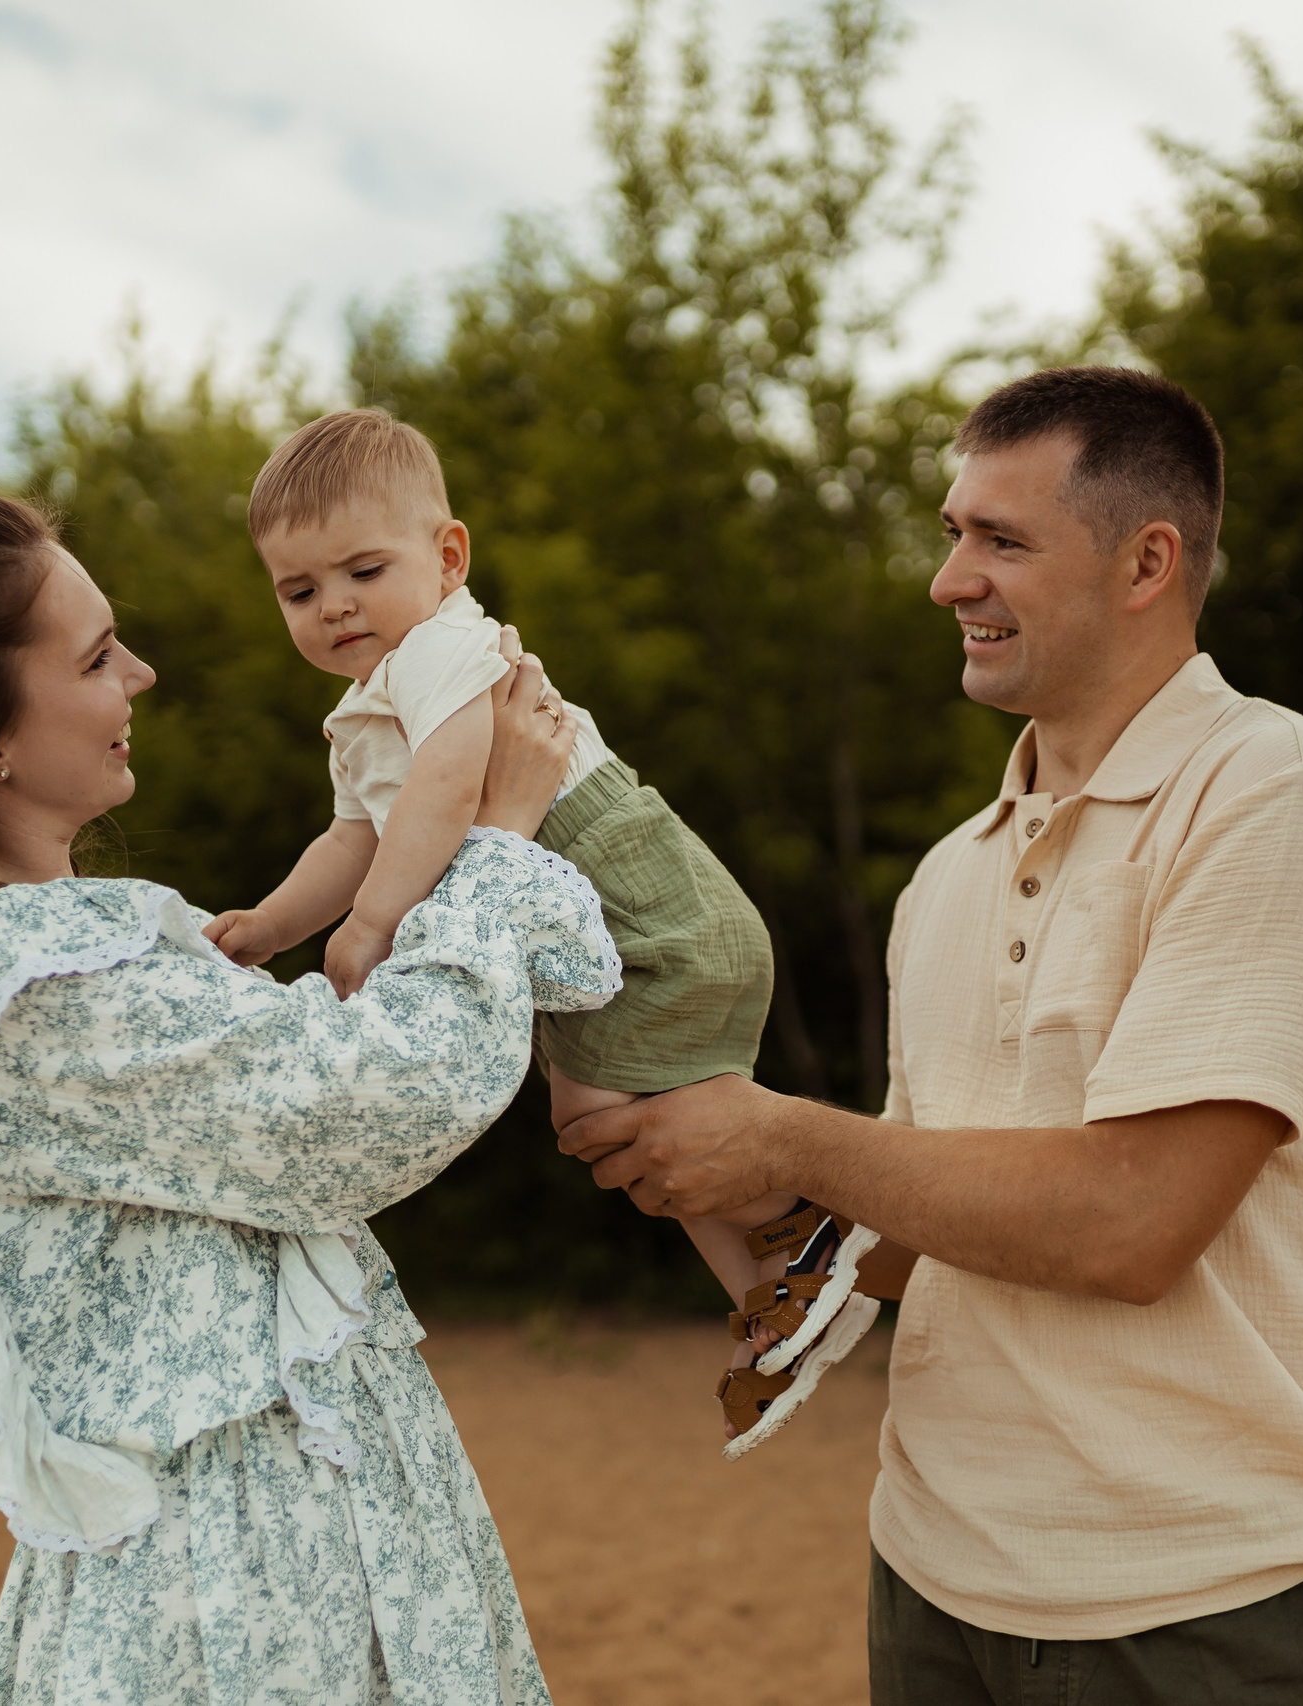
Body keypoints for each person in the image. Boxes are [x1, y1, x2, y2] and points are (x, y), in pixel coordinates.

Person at [562, 368, 1303, 1704]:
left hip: (1223, 1608)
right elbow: (921, 1247)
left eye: (1002, 540)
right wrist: (670, 1129)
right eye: (952, 531)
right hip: (933, 1596)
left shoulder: (1281, 798)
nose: (948, 580)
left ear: (1149, 561)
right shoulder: (947, 878)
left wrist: (788, 1132)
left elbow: (1131, 1221)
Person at [0, 487, 616, 1706]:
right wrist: (501, 827)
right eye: (96, 656)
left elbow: (297, 1076)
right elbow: (373, 1100)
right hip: (237, 1583)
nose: (139, 675)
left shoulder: (55, 959)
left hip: (284, 1535)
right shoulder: (20, 987)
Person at [201, 409, 878, 1454]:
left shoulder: (444, 649)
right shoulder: (372, 703)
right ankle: (773, 1286)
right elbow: (348, 835)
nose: (334, 605)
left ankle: (807, 1231)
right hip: (593, 926)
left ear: (447, 555)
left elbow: (446, 779)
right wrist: (270, 925)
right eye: (300, 590)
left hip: (646, 903)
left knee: (602, 1110)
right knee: (596, 1116)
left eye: (362, 571)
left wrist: (376, 922)